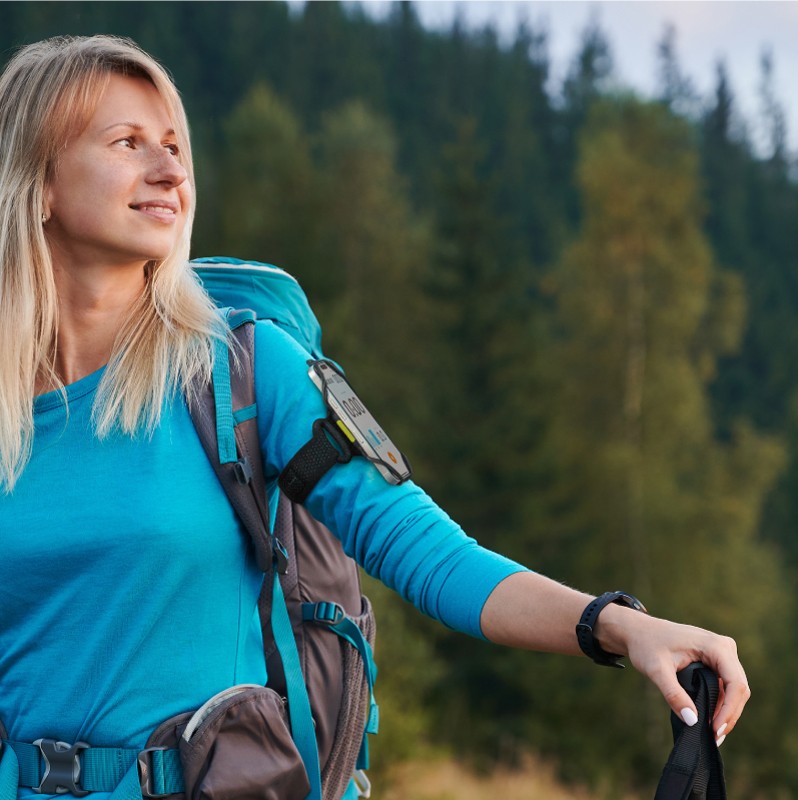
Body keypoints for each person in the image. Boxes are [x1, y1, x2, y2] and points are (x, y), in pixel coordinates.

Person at [0, 34, 748, 799]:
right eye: (128, 143)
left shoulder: (245, 373)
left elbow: (430, 556)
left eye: (173, 145)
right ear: (41, 183)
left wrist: (620, 625)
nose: (170, 170)